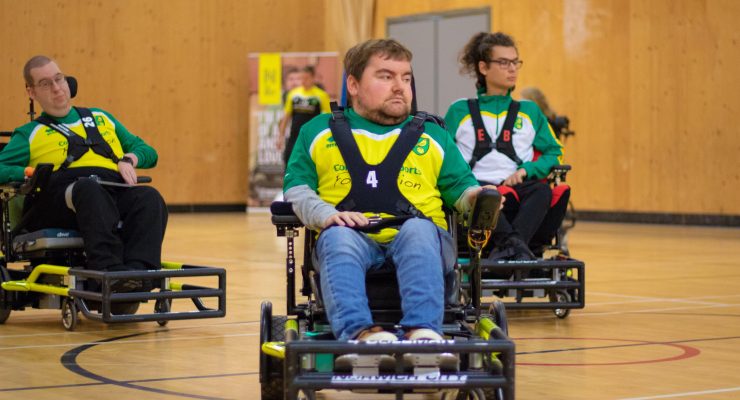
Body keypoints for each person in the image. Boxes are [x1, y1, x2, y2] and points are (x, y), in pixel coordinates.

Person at [283, 39, 496, 344]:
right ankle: (360, 335)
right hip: (349, 236)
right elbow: (297, 189)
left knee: (419, 231)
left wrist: (478, 198)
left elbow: (461, 190)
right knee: (338, 236)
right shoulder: (317, 131)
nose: (400, 87)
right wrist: (326, 216)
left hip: (420, 237)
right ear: (353, 85)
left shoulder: (434, 135)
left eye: (406, 78)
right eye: (386, 76)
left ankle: (423, 333)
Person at [0, 55, 168, 291]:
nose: (57, 88)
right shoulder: (29, 132)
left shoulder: (101, 118)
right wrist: (28, 171)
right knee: (89, 190)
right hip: (58, 200)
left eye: (59, 79)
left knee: (150, 198)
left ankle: (138, 272)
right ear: (32, 92)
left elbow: (149, 152)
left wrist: (129, 159)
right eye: (46, 83)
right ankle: (108, 270)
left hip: (109, 189)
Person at [445, 32, 568, 260]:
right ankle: (516, 249)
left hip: (515, 194)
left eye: (515, 62)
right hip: (476, 194)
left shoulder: (530, 111)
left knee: (541, 190)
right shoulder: (458, 111)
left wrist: (527, 170)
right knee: (485, 196)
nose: (512, 69)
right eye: (503, 62)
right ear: (483, 67)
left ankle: (508, 248)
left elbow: (555, 152)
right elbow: (442, 156)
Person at [277, 65, 331, 164]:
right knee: (288, 159)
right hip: (295, 135)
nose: (303, 81)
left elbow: (327, 118)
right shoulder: (293, 94)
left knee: (309, 162)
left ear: (313, 78)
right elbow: (286, 117)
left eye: (306, 78)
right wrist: (280, 136)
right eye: (301, 78)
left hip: (312, 135)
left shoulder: (321, 95)